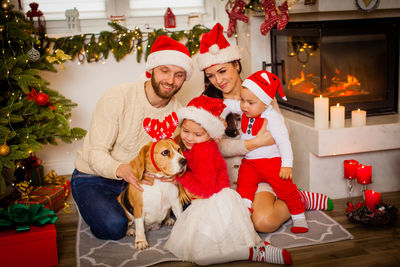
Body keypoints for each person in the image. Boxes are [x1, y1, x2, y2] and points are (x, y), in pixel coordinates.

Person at [197, 23, 333, 233]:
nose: (218, 80)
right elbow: (217, 147)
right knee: (226, 226)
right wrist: (255, 142)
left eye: (223, 71)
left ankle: (298, 198)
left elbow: (280, 130)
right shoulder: (209, 101)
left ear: (237, 65)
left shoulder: (259, 88)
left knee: (263, 222)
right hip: (230, 178)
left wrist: (250, 144)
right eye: (211, 75)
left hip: (265, 172)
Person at [70, 35, 193, 240]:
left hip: (143, 180)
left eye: (179, 74)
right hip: (95, 177)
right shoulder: (118, 97)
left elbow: (175, 154)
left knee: (192, 207)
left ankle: (146, 210)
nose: (171, 80)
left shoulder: (178, 113)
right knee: (113, 226)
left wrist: (175, 174)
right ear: (152, 69)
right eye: (165, 71)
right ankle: (94, 205)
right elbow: (95, 152)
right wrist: (124, 170)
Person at [164, 95, 292, 265]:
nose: (189, 137)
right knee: (204, 246)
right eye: (185, 131)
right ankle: (249, 250)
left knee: (202, 256)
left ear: (211, 135)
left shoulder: (205, 153)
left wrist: (181, 178)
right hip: (207, 202)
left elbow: (204, 190)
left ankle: (253, 252)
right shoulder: (196, 146)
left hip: (214, 202)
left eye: (197, 134)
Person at [222, 70, 308, 233]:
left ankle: (299, 216)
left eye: (250, 102)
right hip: (250, 162)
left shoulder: (273, 118)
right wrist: (222, 116)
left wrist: (287, 165)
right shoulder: (246, 107)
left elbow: (284, 143)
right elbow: (226, 104)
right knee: (243, 186)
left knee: (286, 189)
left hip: (272, 162)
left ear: (266, 103)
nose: (244, 105)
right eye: (242, 100)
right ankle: (245, 211)